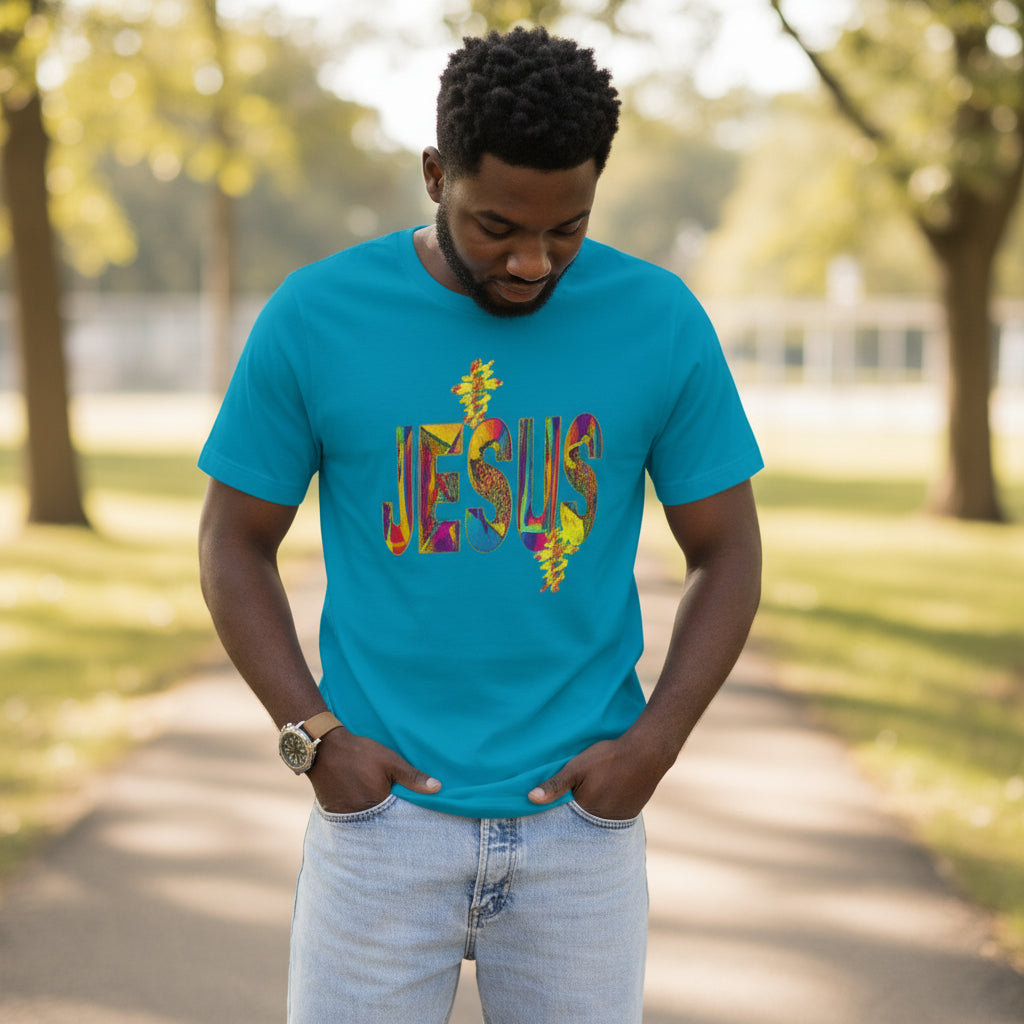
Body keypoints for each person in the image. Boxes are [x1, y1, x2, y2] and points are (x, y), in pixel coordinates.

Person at [198, 25, 762, 1024]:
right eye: (497, 226)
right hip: (380, 826)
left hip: (578, 831)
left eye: (567, 229)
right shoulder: (317, 315)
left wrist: (654, 745)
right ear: (434, 176)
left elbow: (726, 550)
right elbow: (233, 541)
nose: (532, 261)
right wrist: (313, 738)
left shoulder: (659, 319)